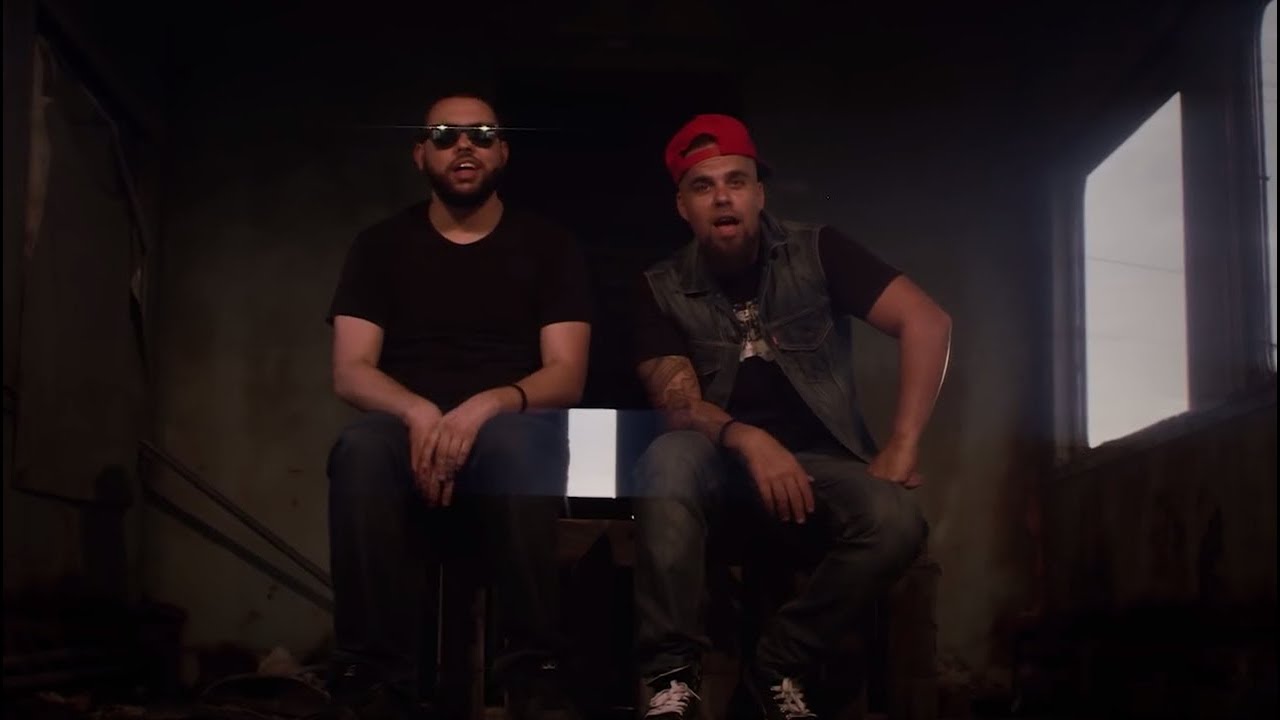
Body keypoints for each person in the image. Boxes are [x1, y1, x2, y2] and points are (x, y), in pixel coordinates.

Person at [628, 114, 952, 720]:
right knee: (666, 458)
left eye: (736, 181)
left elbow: (927, 321)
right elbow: (677, 408)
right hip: (718, 468)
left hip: (819, 465)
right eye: (702, 186)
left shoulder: (818, 251)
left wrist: (903, 442)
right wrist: (749, 438)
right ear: (682, 206)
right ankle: (673, 678)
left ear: (759, 193)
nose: (722, 197)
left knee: (896, 520)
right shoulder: (660, 287)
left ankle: (778, 663)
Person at [323, 92, 591, 720]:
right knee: (360, 450)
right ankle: (372, 674)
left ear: (503, 151)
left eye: (481, 134)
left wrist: (489, 404)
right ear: (421, 154)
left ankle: (534, 671)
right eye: (445, 135)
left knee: (517, 446)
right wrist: (418, 412)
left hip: (509, 423)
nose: (464, 145)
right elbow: (351, 369)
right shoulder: (380, 245)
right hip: (405, 426)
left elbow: (567, 374)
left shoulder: (549, 246)